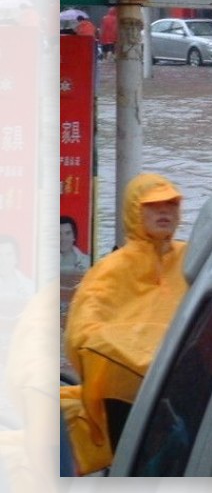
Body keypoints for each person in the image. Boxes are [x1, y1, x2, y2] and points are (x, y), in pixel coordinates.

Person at [61, 173, 188, 474]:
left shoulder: (190, 258)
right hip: (125, 391)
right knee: (134, 467)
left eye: (171, 204)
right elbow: (81, 333)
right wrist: (131, 356)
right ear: (135, 210)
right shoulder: (112, 269)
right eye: (154, 206)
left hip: (183, 381)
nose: (164, 212)